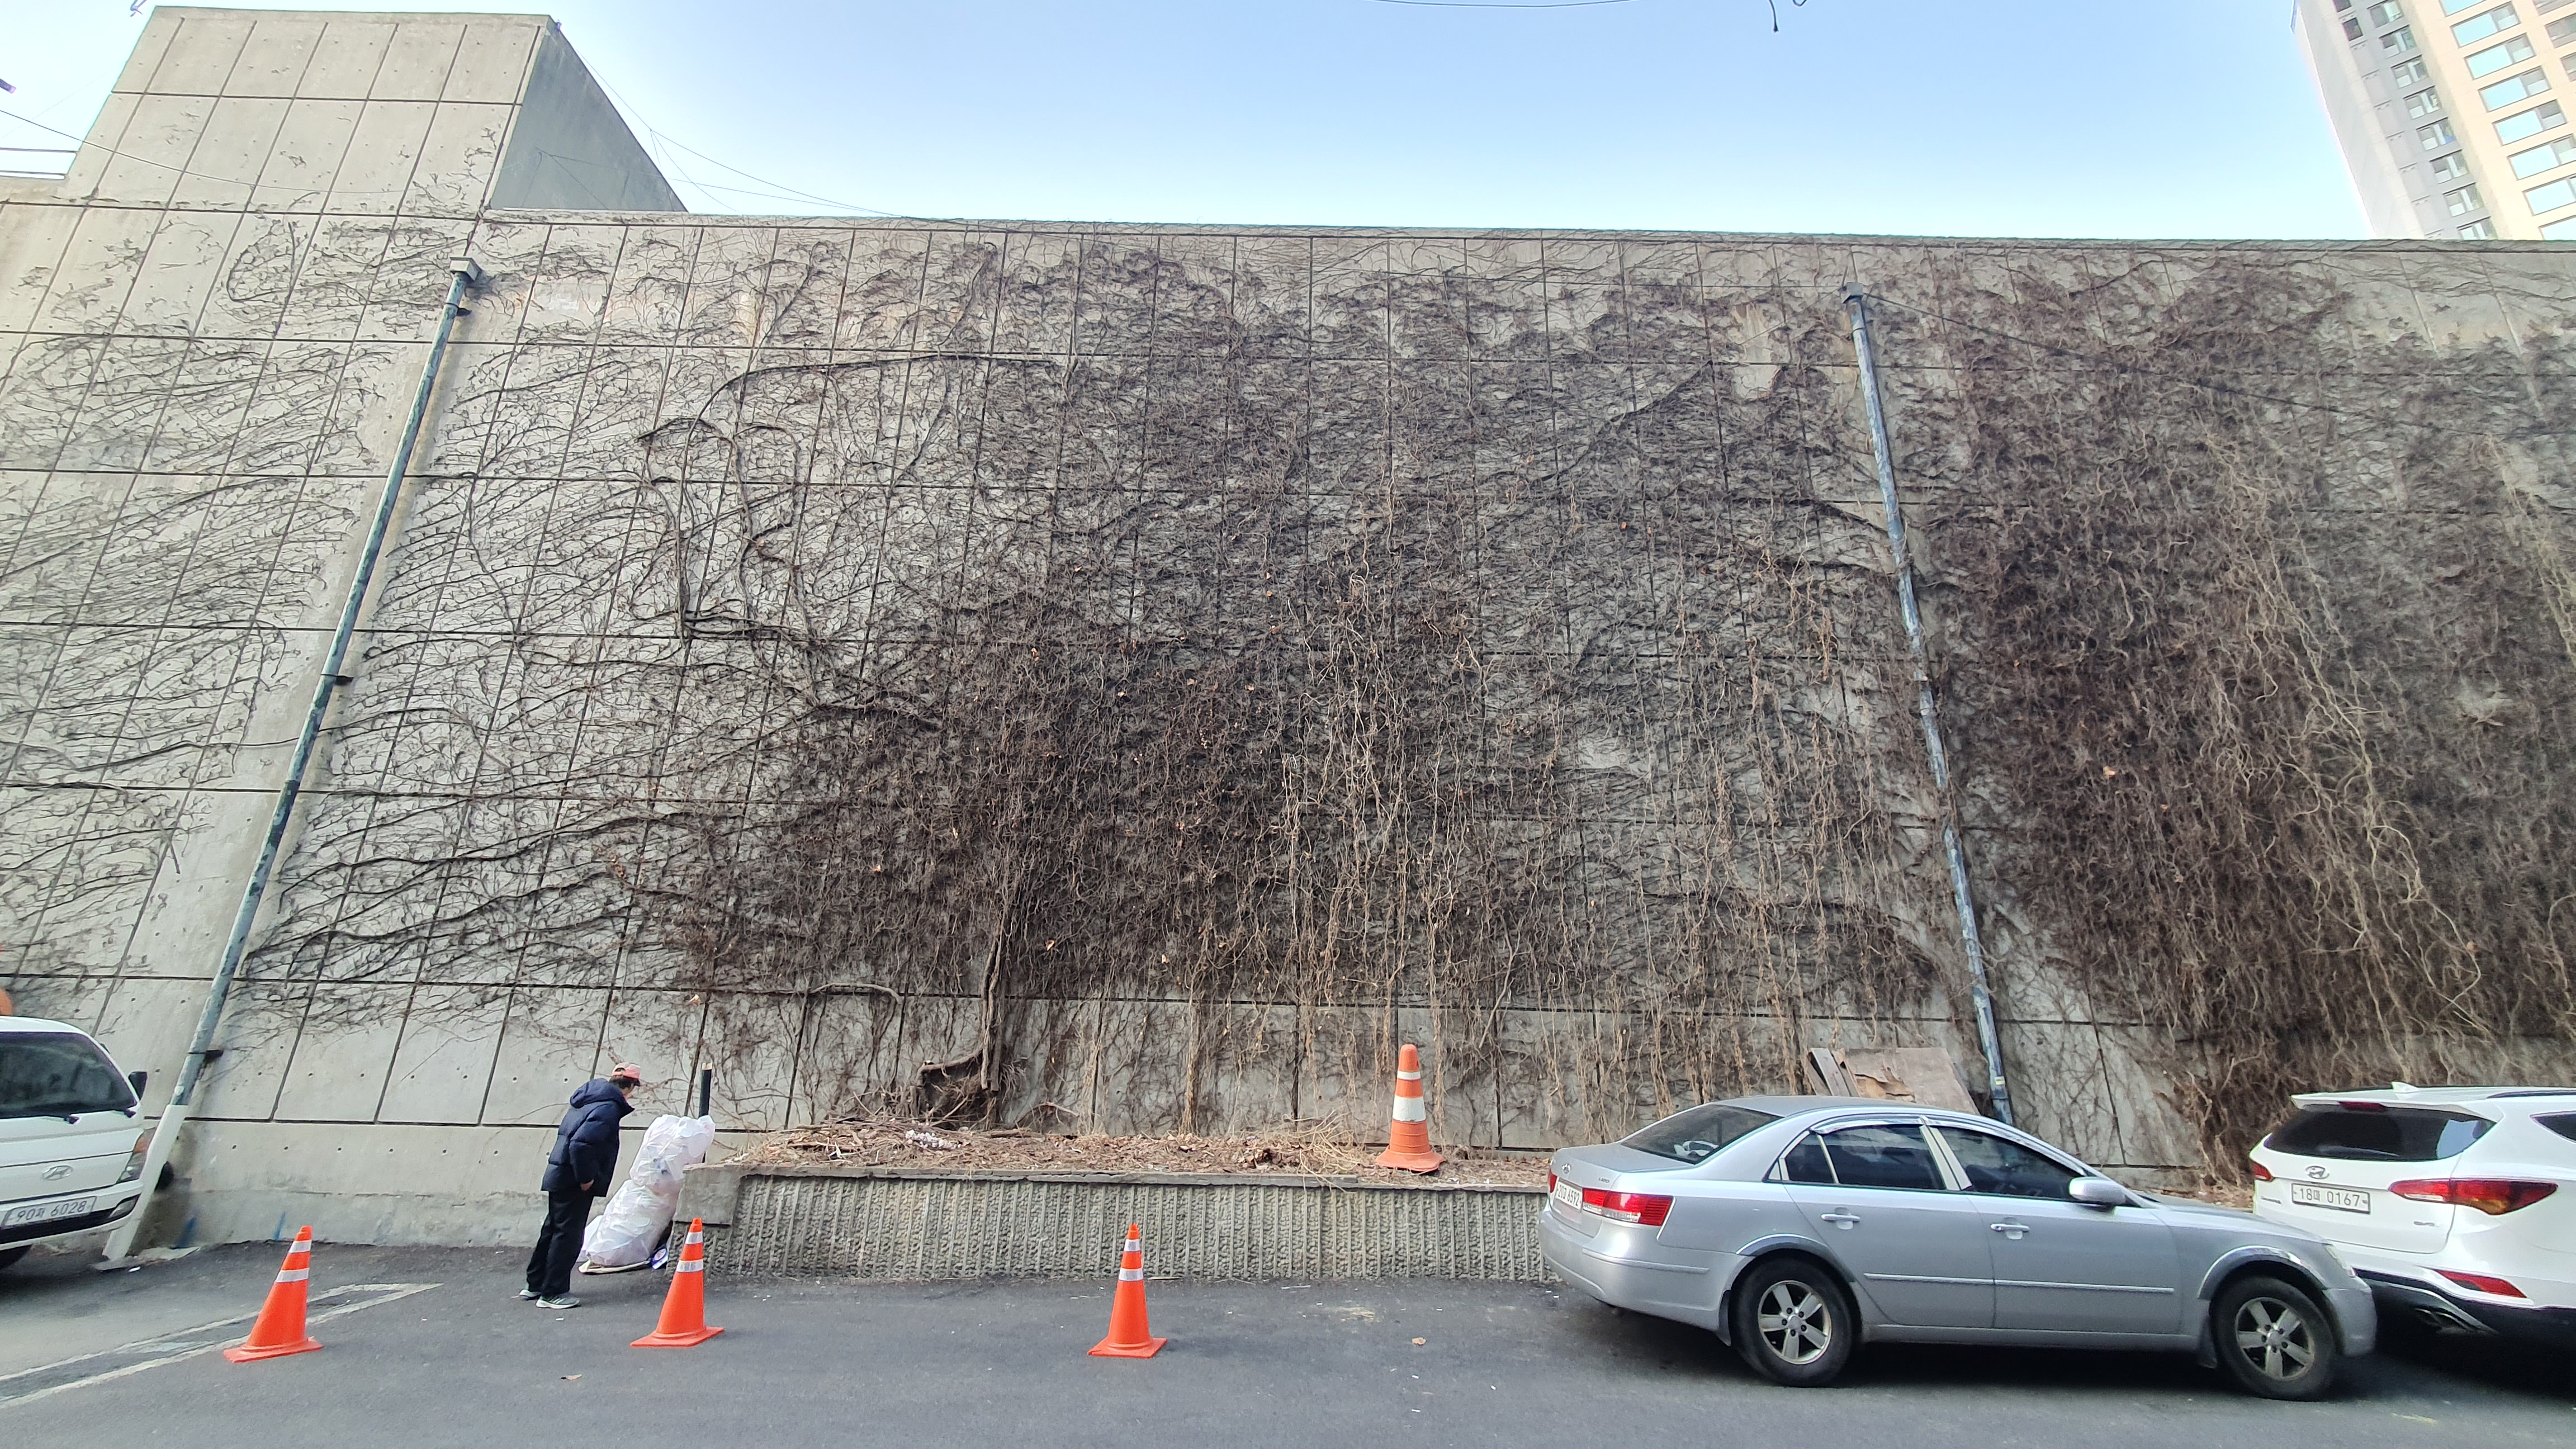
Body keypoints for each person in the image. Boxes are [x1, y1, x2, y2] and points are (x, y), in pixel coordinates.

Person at [520, 1063, 640, 1308]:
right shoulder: (608, 1107)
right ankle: (553, 1293)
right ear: (629, 1087)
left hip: (559, 1174)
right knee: (568, 1236)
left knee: (553, 1230)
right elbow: (581, 1144)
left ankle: (536, 1284)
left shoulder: (587, 1100)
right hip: (574, 1180)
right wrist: (586, 1178)